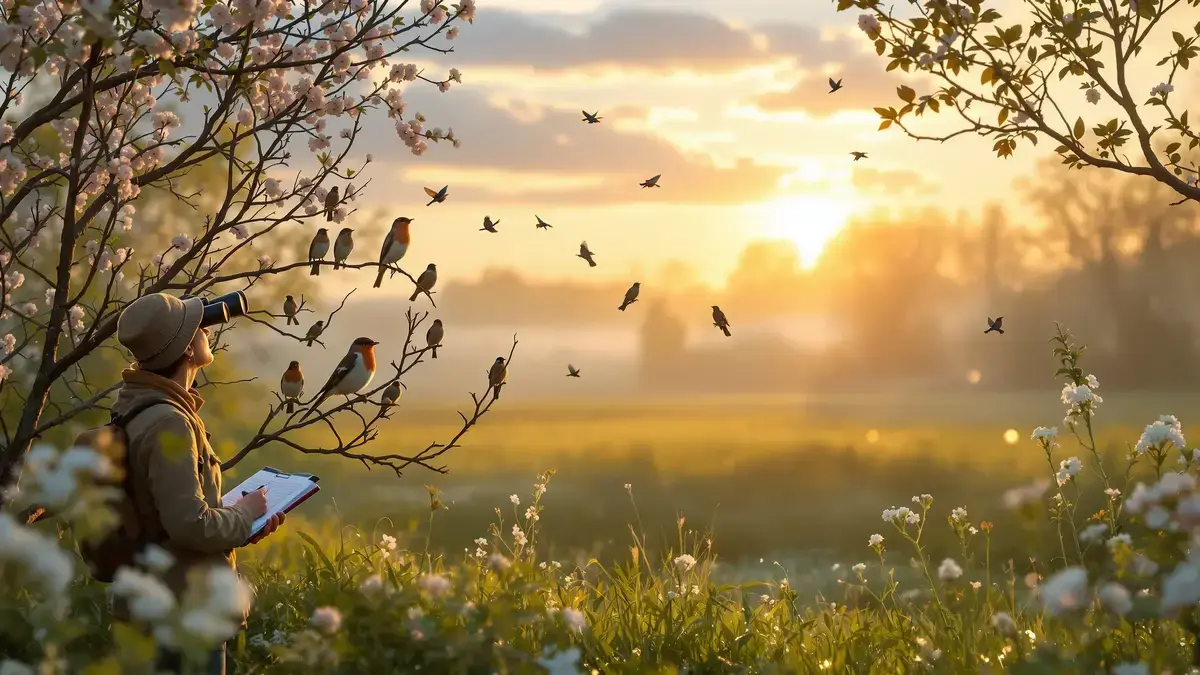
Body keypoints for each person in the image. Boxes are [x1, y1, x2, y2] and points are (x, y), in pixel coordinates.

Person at [111, 292, 286, 675]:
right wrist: (243, 515)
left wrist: (240, 526)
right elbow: (190, 525)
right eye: (198, 325)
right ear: (189, 349)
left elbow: (163, 511)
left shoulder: (137, 405)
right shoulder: (168, 421)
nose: (206, 328)